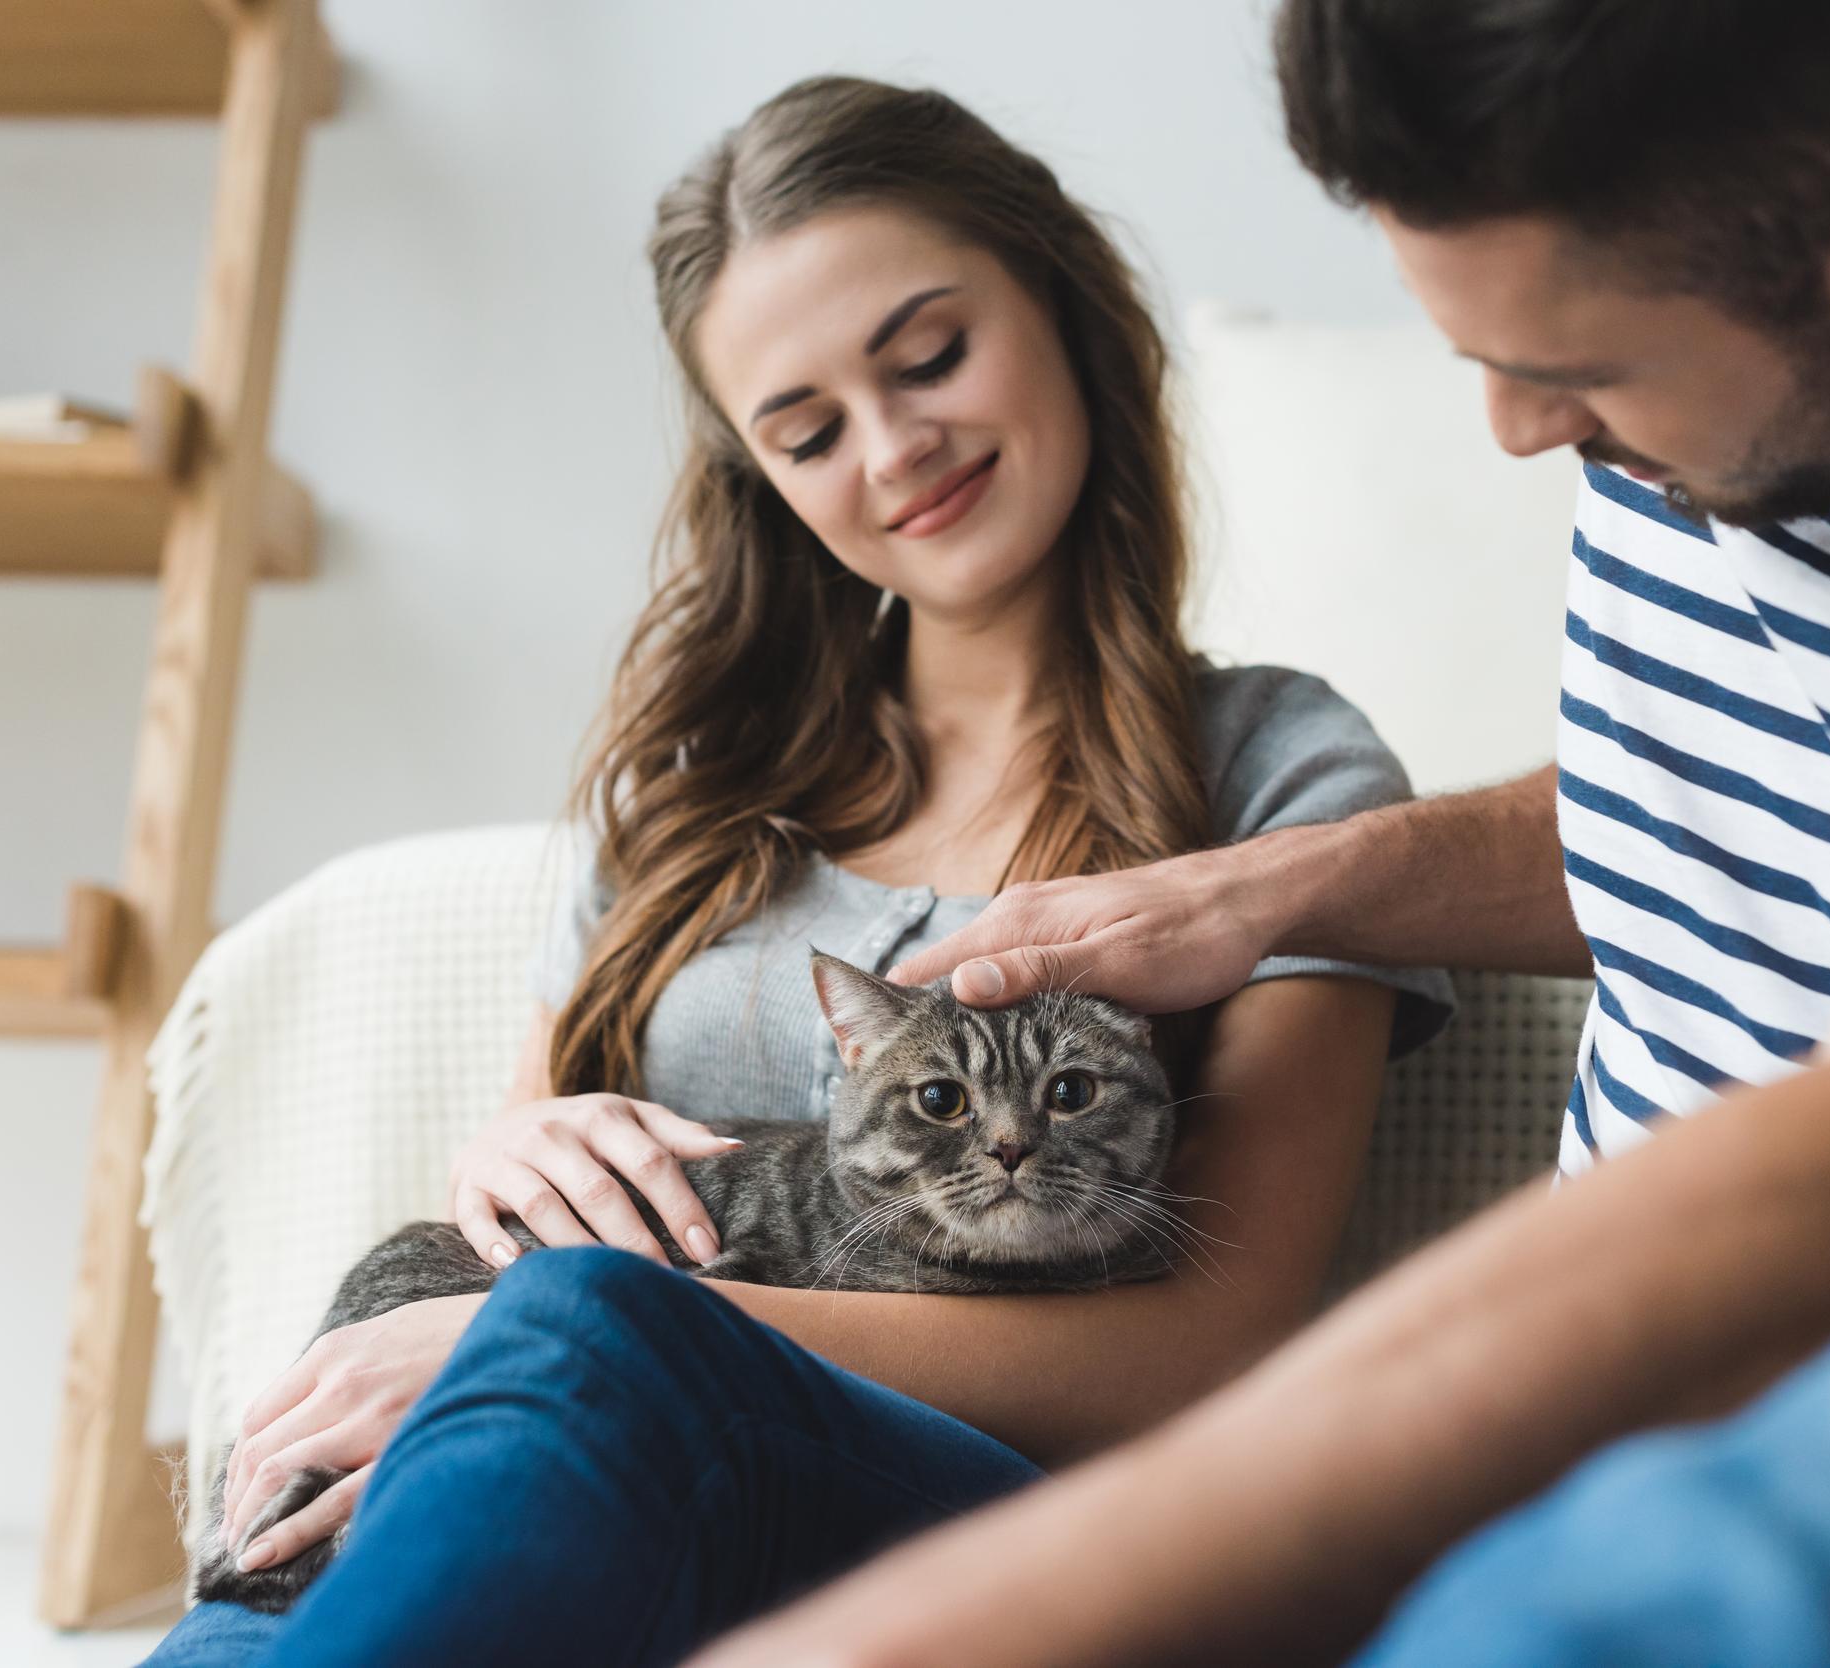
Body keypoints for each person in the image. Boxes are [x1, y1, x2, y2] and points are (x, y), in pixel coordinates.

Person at [694, 2, 1830, 1664]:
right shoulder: (1734, 408)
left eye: (1570, 375)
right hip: (1601, 1518)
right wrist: (1280, 885)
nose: (1518, 435)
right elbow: (1753, 808)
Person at [138, 74, 1450, 1668]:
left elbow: (1207, 1345)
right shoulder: (693, 798)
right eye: (809, 430)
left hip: (984, 1524)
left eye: (929, 357)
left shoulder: (1280, 777)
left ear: (1060, 304)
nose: (896, 450)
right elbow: (511, 1174)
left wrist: (598, 1331)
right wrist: (519, 1180)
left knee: (580, 1334)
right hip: (563, 1470)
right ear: (760, 475)